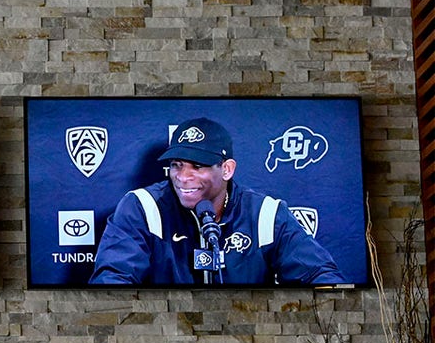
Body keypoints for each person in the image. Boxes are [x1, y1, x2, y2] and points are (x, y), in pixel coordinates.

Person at [90, 117, 345, 285]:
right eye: (177, 165)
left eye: (198, 166)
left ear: (227, 169)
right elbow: (112, 279)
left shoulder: (265, 213)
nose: (183, 177)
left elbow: (319, 275)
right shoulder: (143, 208)